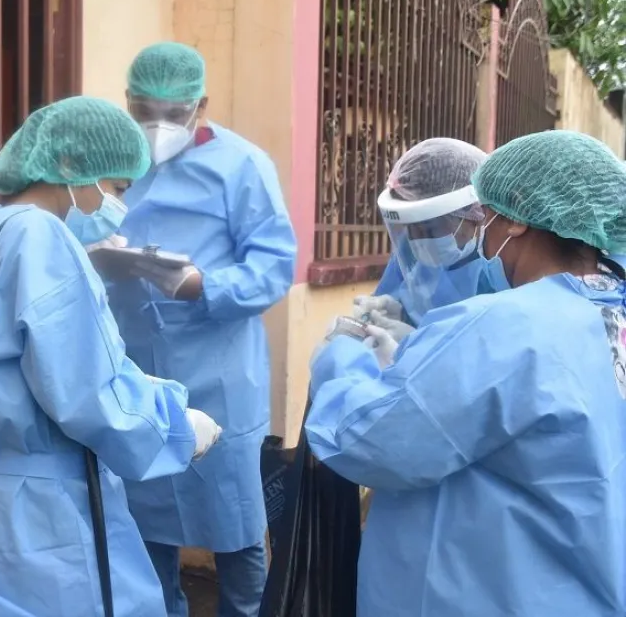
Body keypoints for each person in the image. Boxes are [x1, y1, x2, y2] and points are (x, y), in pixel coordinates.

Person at [0, 95, 222, 617]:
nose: (117, 203)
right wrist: (174, 427)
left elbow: (35, 367)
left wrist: (157, 397)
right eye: (115, 187)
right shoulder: (41, 237)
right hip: (49, 510)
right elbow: (87, 395)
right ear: (69, 165)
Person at [306, 130, 626, 617]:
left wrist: (342, 358)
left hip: (481, 589)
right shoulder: (609, 308)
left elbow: (372, 442)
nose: (481, 230)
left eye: (487, 213)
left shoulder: (506, 326)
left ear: (515, 219)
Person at [107, 42, 298, 617]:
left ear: (202, 105)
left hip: (219, 376)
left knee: (235, 529)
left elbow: (274, 266)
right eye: (144, 110)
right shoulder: (119, 163)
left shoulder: (243, 167)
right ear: (127, 103)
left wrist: (202, 287)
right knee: (146, 527)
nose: (157, 124)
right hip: (136, 371)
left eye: (172, 112)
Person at [352, 138, 488, 338]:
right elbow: (404, 295)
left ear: (474, 215)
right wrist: (397, 311)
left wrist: (417, 340)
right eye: (411, 229)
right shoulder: (409, 251)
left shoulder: (496, 267)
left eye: (429, 229)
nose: (417, 239)